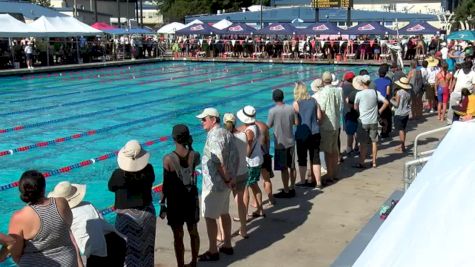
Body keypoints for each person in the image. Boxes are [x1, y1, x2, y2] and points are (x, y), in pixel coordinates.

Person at [8, 170, 83, 266]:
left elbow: (15, 254)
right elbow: (68, 225)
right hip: (68, 262)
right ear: (43, 188)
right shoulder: (61, 203)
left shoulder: (19, 217)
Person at [48, 181, 125, 267]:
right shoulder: (88, 204)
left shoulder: (65, 216)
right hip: (116, 242)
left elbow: (73, 246)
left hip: (99, 253)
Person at [196, 107, 237, 261]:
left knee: (209, 217)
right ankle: (227, 245)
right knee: (224, 213)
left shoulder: (214, 136)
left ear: (213, 120)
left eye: (204, 119)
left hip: (215, 185)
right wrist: (232, 178)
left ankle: (213, 250)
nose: (201, 122)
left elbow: (218, 161)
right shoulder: (226, 132)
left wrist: (226, 178)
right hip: (225, 184)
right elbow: (235, 155)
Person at [108, 140, 156, 267]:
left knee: (125, 253)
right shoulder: (149, 170)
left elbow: (111, 187)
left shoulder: (118, 174)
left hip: (126, 217)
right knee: (147, 250)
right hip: (147, 214)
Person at [161, 124, 200, 267]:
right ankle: (194, 262)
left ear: (173, 138)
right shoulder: (194, 155)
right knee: (193, 231)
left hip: (175, 201)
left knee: (178, 236)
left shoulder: (168, 159)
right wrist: (190, 145)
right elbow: (196, 161)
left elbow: (165, 185)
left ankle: (181, 265)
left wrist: (162, 204)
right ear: (188, 137)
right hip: (190, 198)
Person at [353, 75, 389, 168]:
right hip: (373, 120)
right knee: (374, 142)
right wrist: (379, 111)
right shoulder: (375, 92)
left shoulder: (359, 94)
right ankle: (374, 162)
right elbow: (386, 102)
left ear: (361, 83)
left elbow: (355, 107)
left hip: (363, 121)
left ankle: (361, 162)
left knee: (363, 144)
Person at [313, 72, 342, 183]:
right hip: (336, 123)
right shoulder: (338, 91)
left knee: (327, 152)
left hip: (327, 125)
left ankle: (329, 175)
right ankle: (335, 173)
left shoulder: (323, 92)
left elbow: (323, 110)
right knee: (335, 151)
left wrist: (319, 122)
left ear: (322, 80)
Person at [268, 89, 298, 198]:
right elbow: (296, 123)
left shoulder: (272, 111)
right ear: (283, 97)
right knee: (292, 166)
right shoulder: (291, 108)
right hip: (291, 141)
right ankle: (292, 187)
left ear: (273, 98)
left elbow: (268, 125)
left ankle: (285, 190)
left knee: (283, 168)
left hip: (280, 143)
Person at [293, 81, 323, 189]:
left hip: (302, 134)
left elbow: (296, 122)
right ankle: (318, 182)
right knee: (315, 158)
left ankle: (302, 181)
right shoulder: (314, 101)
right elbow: (319, 117)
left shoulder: (296, 103)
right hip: (315, 132)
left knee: (302, 158)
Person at [223, 113, 249, 238]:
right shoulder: (243, 135)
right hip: (243, 172)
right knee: (240, 202)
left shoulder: (225, 139)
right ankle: (243, 229)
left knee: (225, 203)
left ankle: (222, 234)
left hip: (231, 175)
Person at [237, 105, 265, 218]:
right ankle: (260, 209)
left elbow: (248, 149)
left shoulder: (249, 131)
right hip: (257, 160)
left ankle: (243, 214)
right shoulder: (256, 126)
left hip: (251, 162)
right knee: (254, 185)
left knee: (245, 189)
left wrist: (244, 156)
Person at [391, 77, 413, 152]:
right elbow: (408, 102)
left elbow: (396, 104)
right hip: (406, 113)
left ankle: (402, 146)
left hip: (399, 113)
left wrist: (391, 100)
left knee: (400, 130)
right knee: (403, 129)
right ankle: (402, 145)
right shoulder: (408, 92)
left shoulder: (399, 92)